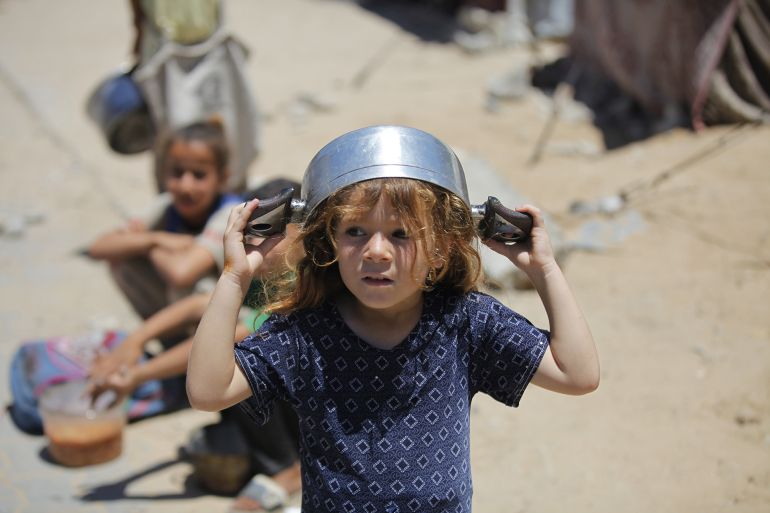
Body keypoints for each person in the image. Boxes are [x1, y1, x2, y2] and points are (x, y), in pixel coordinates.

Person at [187, 126, 599, 512]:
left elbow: (576, 374)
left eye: (401, 234)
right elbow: (209, 390)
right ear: (328, 242)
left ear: (439, 249)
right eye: (355, 232)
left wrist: (544, 269)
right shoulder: (306, 334)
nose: (376, 251)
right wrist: (234, 277)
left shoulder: (465, 322)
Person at [87, 178, 304, 511]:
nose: (255, 243)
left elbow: (238, 336)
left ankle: (289, 468)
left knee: (237, 357)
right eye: (252, 232)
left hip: (311, 408)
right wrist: (135, 340)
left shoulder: (301, 282)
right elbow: (200, 304)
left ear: (302, 232)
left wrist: (137, 376)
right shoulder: (265, 272)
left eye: (269, 232)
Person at [87, 119, 242, 321]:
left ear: (222, 178)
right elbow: (98, 247)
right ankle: (168, 339)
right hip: (180, 310)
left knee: (199, 286)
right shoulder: (166, 205)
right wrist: (156, 240)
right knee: (122, 261)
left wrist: (145, 243)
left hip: (233, 323)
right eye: (177, 173)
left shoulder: (230, 213)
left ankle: (193, 346)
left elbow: (181, 273)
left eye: (199, 175)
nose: (186, 186)